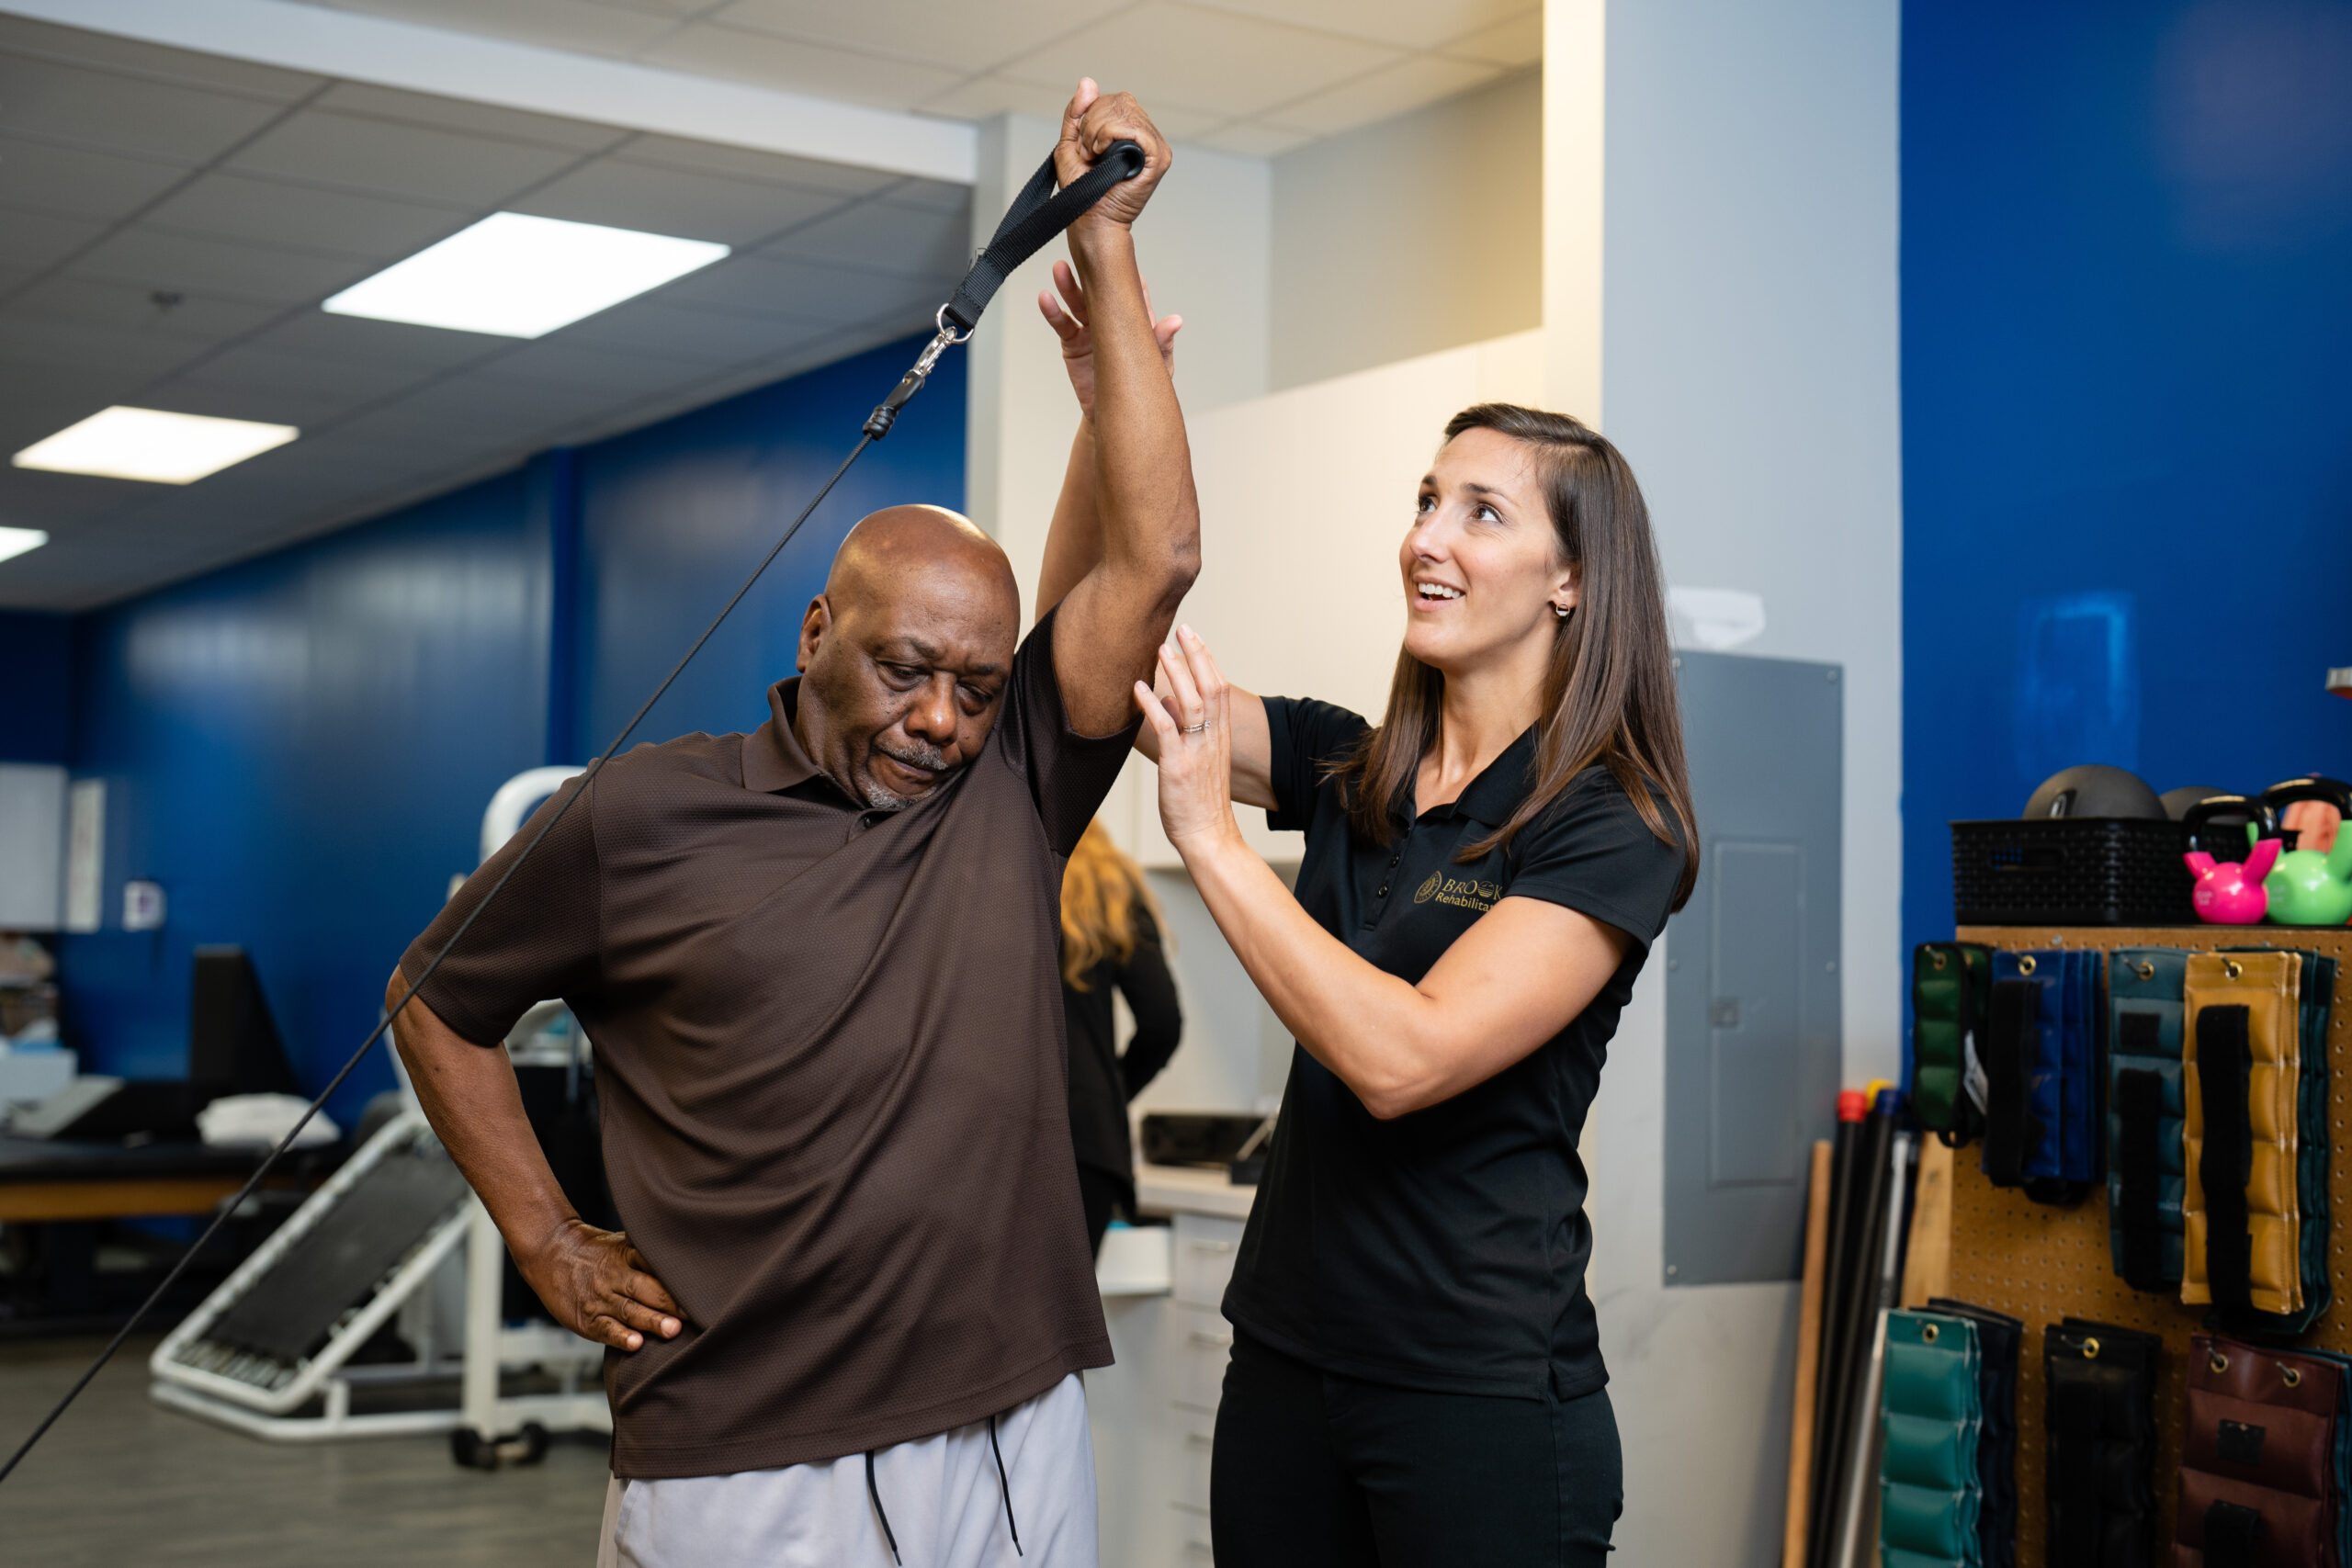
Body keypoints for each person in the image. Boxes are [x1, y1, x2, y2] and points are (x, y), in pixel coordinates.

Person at [386, 79, 1194, 1568]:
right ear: (819, 628)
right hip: (741, 1458)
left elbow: (1152, 559)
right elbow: (436, 1004)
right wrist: (548, 1237)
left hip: (1002, 1428)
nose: (941, 721)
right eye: (905, 671)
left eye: (975, 686)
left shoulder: (1003, 791)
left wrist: (1111, 246)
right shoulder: (635, 817)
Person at [1035, 374, 1698, 1562]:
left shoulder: (1610, 823)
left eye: (1481, 513)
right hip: (1288, 1357)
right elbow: (1084, 667)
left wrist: (1212, 842)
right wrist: (1106, 414)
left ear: (1574, 578)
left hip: (1478, 1392)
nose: (1425, 539)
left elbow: (1407, 1053)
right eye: (1426, 500)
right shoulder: (1353, 766)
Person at [1059, 818, 1182, 1254]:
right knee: (1058, 1317)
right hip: (1085, 1142)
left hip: (989, 1136)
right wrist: (1106, 1097)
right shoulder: (1107, 885)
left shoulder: (988, 875)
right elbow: (1162, 1023)